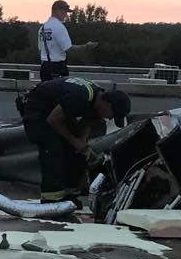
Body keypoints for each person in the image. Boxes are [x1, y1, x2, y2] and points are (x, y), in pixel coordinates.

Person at [20, 78, 131, 206]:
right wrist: (75, 141)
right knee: (52, 149)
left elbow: (88, 121)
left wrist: (82, 143)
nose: (109, 118)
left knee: (77, 152)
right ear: (107, 103)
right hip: (39, 109)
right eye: (111, 114)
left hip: (59, 110)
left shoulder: (97, 99)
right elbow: (53, 120)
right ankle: (51, 198)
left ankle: (70, 193)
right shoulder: (80, 96)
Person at [37, 0, 96, 80]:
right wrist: (86, 47)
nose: (66, 15)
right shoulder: (59, 27)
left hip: (44, 68)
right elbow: (69, 49)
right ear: (57, 11)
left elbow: (40, 49)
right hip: (57, 68)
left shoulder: (43, 27)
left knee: (46, 91)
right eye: (64, 12)